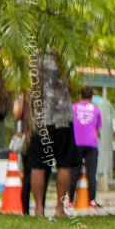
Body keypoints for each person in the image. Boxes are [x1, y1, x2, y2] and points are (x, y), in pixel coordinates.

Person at [26, 51, 80, 217]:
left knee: (38, 165)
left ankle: (39, 209)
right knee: (63, 164)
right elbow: (73, 85)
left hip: (40, 119)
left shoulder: (34, 54)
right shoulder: (63, 54)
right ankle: (59, 208)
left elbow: (28, 85)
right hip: (62, 116)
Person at [71, 86, 102, 208]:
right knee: (91, 173)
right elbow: (97, 128)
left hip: (77, 143)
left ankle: (70, 201)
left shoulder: (73, 108)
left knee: (74, 172)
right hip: (91, 144)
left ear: (80, 95)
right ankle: (92, 201)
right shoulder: (96, 109)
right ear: (92, 96)